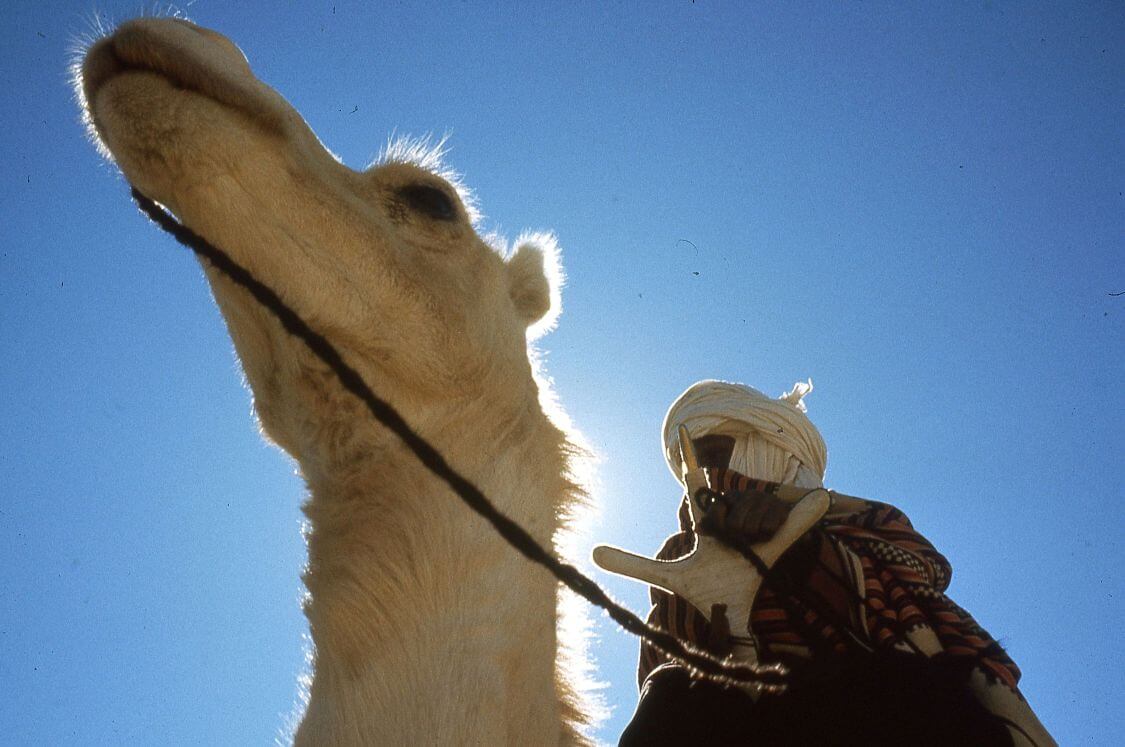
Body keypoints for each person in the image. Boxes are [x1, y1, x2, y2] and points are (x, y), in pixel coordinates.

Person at [619, 380, 1054, 746]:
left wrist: (804, 547)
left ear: (768, 449)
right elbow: (668, 653)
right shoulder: (680, 552)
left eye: (716, 456)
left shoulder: (864, 521)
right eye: (695, 466)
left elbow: (919, 575)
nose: (710, 478)